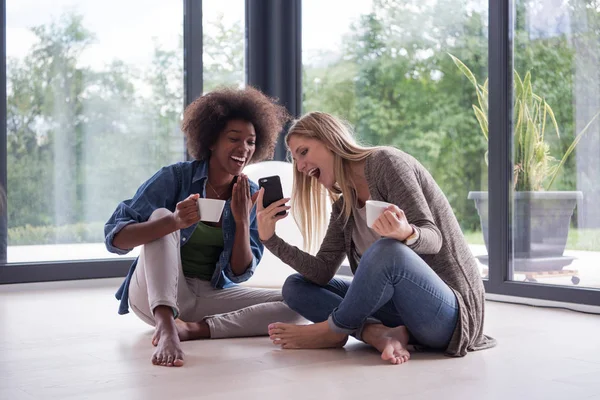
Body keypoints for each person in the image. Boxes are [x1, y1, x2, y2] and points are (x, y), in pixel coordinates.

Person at [256, 111, 496, 364]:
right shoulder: (343, 205)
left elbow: (433, 238)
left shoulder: (386, 163)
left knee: (387, 251)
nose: (301, 167)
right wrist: (270, 239)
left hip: (449, 315)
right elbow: (322, 272)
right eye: (296, 160)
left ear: (329, 139)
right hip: (401, 315)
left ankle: (333, 330)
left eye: (303, 152)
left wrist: (406, 233)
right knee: (296, 285)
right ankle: (376, 333)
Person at [104, 87, 303, 368]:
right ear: (211, 141)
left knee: (297, 301)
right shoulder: (175, 178)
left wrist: (243, 221)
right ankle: (166, 325)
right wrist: (174, 222)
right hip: (154, 296)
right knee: (162, 215)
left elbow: (239, 272)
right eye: (234, 139)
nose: (244, 149)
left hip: (207, 295)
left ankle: (193, 329)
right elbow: (116, 238)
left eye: (250, 142)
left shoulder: (249, 193)